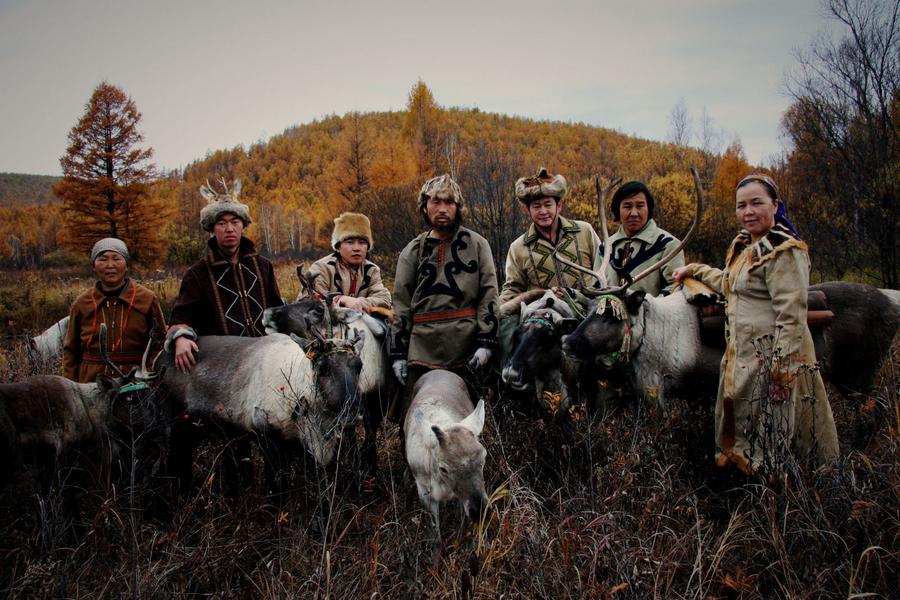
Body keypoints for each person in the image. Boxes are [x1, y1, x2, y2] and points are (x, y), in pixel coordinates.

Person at [673, 173, 839, 476]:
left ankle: (780, 504)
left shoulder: (785, 251)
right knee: (742, 429)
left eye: (756, 203)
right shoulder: (744, 246)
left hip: (772, 361)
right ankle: (745, 492)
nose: (748, 212)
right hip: (743, 358)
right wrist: (692, 269)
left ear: (775, 205)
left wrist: (782, 376)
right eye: (741, 206)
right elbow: (728, 282)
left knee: (775, 435)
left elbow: (791, 319)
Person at [388, 174, 499, 423]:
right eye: (435, 202)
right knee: (415, 417)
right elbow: (401, 305)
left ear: (458, 207)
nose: (442, 209)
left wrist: (486, 343)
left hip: (467, 343)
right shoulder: (412, 251)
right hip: (421, 346)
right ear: (424, 207)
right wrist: (397, 354)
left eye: (448, 202)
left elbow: (489, 295)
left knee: (470, 418)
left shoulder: (478, 245)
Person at [167, 179, 284, 373]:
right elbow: (181, 317)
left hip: (265, 359)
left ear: (243, 225)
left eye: (234, 222)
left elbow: (277, 310)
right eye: (221, 223)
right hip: (222, 366)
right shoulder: (197, 274)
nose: (229, 229)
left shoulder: (263, 266)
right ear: (211, 229)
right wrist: (180, 338)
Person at [63, 238, 166, 383]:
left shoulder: (146, 299)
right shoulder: (81, 304)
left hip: (136, 382)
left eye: (117, 258)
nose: (110, 265)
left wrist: (148, 373)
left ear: (126, 265)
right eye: (103, 259)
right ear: (94, 266)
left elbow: (160, 342)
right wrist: (71, 386)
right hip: (90, 382)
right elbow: (71, 351)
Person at [298, 212, 392, 312]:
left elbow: (384, 299)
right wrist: (341, 300)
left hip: (359, 325)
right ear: (338, 246)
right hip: (327, 325)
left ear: (368, 247)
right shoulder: (322, 268)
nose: (357, 248)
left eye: (362, 242)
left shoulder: (371, 270)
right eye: (350, 242)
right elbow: (308, 300)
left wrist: (359, 302)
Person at [604, 181, 684, 296]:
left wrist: (648, 306)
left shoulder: (668, 245)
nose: (634, 213)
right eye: (627, 206)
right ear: (618, 210)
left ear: (648, 208)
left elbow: (676, 286)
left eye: (640, 206)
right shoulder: (605, 247)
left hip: (653, 313)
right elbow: (597, 287)